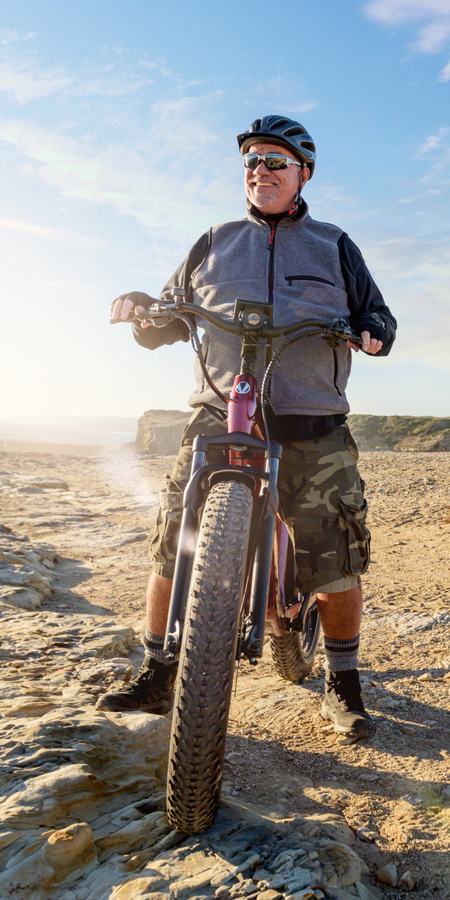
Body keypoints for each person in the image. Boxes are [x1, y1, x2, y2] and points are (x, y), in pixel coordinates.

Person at [99, 115, 396, 741]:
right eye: (252, 161)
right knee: (173, 535)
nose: (260, 171)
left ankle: (342, 684)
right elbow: (168, 317)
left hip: (310, 418)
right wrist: (140, 312)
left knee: (335, 547)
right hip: (219, 412)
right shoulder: (213, 241)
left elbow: (377, 314)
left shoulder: (335, 245)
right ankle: (159, 671)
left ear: (303, 174)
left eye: (275, 162)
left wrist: (374, 332)